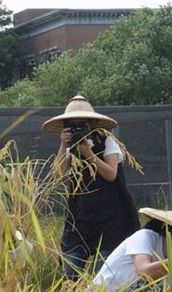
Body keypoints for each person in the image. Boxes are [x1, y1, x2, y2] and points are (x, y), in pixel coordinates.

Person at [43, 95, 138, 279]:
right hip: (81, 215)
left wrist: (90, 154)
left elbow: (111, 174)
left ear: (91, 122)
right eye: (72, 124)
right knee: (69, 270)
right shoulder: (71, 146)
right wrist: (64, 145)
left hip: (111, 215)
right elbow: (58, 174)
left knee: (104, 273)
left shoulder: (107, 141)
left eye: (81, 123)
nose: (77, 128)